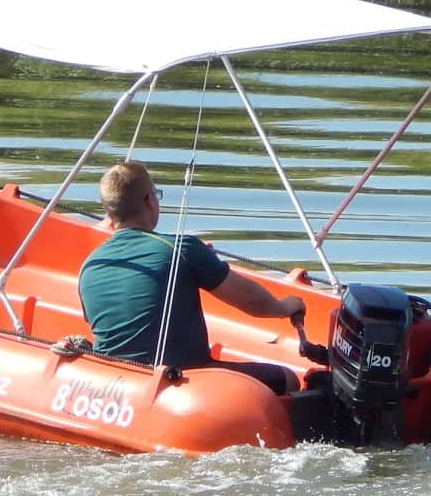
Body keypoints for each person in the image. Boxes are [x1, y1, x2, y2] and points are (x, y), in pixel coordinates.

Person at [77, 161, 305, 393]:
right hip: (183, 380)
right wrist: (284, 306)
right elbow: (251, 301)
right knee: (288, 380)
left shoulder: (90, 265)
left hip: (115, 386)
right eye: (156, 194)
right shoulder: (182, 250)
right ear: (149, 201)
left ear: (108, 212)